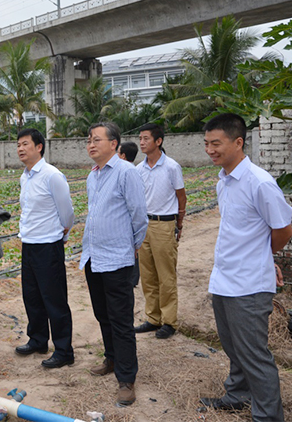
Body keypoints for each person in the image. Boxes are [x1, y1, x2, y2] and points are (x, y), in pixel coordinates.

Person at [200, 113, 292, 421]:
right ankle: (238, 395)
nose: (210, 150)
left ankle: (267, 416)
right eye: (206, 143)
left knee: (253, 354)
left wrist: (263, 257)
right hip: (224, 279)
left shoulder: (259, 182)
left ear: (238, 142)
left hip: (249, 285)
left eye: (216, 143)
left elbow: (283, 230)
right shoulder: (224, 182)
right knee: (233, 347)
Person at [81, 122, 148, 406]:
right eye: (89, 140)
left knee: (121, 320)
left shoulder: (126, 172)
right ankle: (110, 358)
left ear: (113, 144)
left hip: (117, 259)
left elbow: (139, 215)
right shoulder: (92, 175)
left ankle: (126, 378)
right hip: (93, 257)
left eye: (96, 139)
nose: (91, 144)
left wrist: (131, 247)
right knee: (102, 314)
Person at [14, 128, 76, 368]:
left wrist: (63, 234)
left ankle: (64, 350)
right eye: (18, 145)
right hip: (29, 244)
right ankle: (38, 340)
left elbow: (67, 212)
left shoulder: (52, 175)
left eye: (25, 144)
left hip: (48, 246)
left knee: (54, 299)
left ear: (39, 147)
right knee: (32, 296)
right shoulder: (25, 176)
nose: (20, 148)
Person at [135, 123, 187, 339]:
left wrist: (179, 224)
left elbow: (181, 197)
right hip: (144, 225)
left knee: (166, 275)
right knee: (148, 275)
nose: (142, 142)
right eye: (140, 138)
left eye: (146, 138)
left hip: (164, 225)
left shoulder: (172, 167)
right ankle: (153, 318)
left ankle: (169, 321)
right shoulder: (139, 169)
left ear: (158, 141)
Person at [118, 141, 141, 287]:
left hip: (130, 219)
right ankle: (133, 279)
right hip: (133, 219)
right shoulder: (136, 170)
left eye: (118, 153)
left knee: (134, 249)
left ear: (123, 156)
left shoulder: (129, 173)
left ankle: (132, 279)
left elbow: (136, 206)